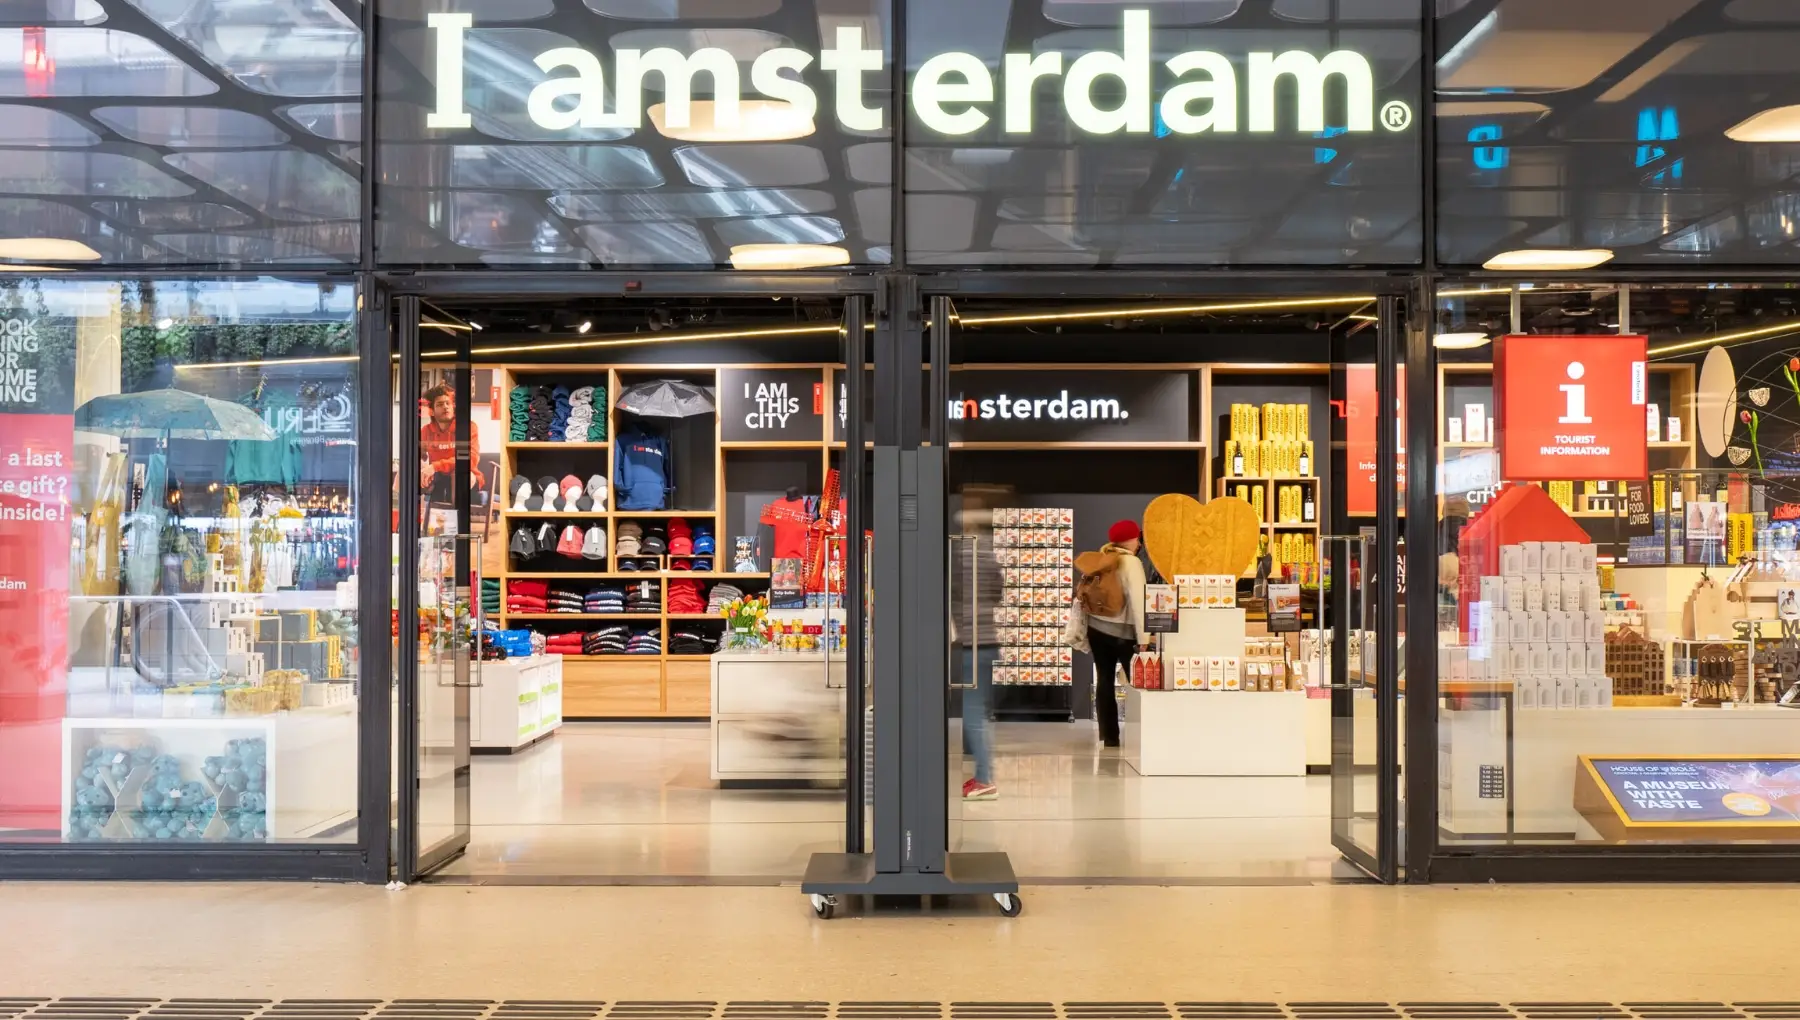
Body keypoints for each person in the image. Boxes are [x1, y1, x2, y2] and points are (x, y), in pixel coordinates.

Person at [1066, 519, 1149, 748]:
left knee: (1104, 679)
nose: (1139, 543)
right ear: (1132, 540)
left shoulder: (1103, 557)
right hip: (1123, 634)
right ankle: (1143, 734)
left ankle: (1110, 737)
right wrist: (1144, 638)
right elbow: (1139, 602)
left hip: (1096, 630)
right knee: (1137, 684)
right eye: (1137, 539)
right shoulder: (1131, 563)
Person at [950, 487, 1005, 800]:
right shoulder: (988, 549)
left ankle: (984, 779)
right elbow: (998, 591)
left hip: (971, 640)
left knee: (973, 713)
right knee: (979, 710)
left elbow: (952, 592)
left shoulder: (961, 551)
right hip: (988, 638)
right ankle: (980, 773)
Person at [419, 384, 485, 505]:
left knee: (459, 475)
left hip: (465, 475)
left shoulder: (468, 427)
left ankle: (457, 514)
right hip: (438, 477)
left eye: (448, 403)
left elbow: (470, 459)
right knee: (406, 472)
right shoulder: (426, 431)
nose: (445, 407)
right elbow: (417, 456)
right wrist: (422, 469)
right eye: (440, 404)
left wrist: (435, 466)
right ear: (432, 411)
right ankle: (404, 512)